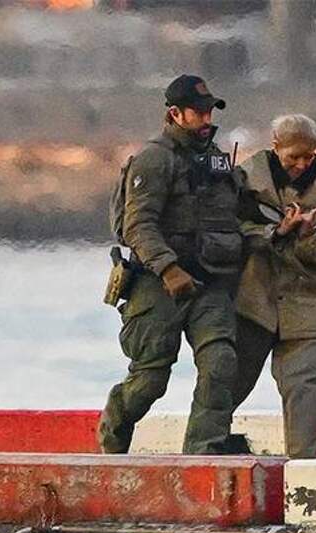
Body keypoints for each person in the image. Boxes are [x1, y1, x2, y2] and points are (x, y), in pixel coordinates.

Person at [98, 74, 243, 454]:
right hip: (156, 282)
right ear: (175, 114)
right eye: (199, 113)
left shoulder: (218, 161)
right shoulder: (154, 159)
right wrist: (168, 269)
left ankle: (204, 453)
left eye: (209, 112)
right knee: (150, 379)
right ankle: (113, 433)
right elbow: (137, 226)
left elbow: (238, 215)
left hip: (209, 281)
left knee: (220, 363)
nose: (207, 119)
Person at [231, 114, 316, 458]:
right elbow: (229, 231)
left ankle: (305, 465)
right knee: (227, 382)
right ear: (276, 147)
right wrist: (275, 232)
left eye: (309, 156)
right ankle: (203, 452)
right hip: (254, 299)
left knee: (306, 385)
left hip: (307, 302)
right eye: (294, 157)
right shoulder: (245, 177)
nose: (302, 164)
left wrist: (309, 236)